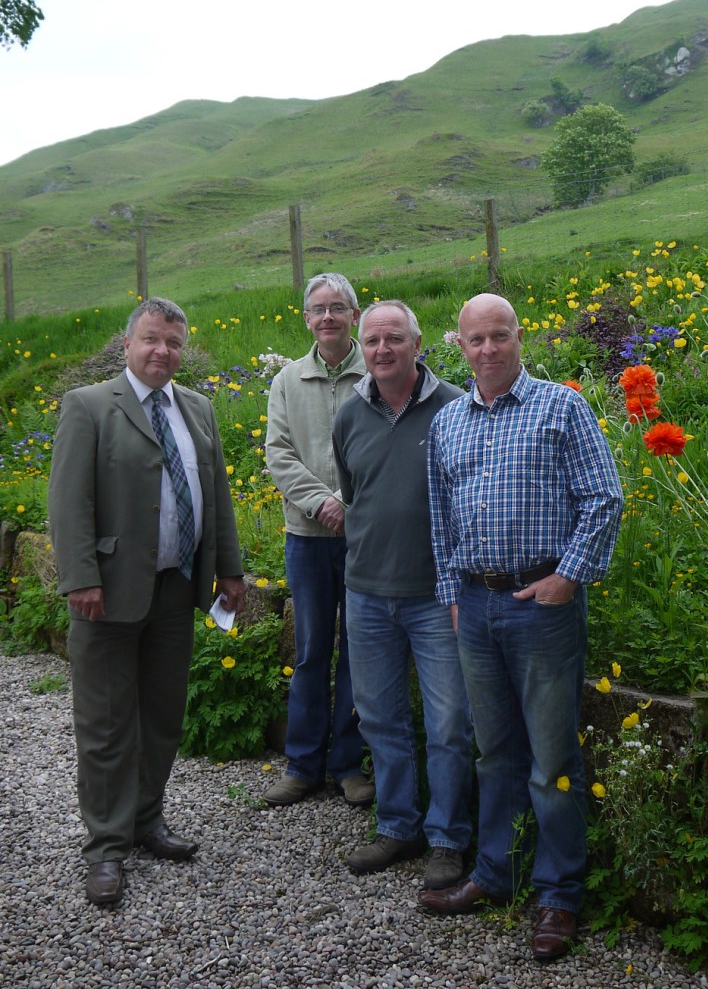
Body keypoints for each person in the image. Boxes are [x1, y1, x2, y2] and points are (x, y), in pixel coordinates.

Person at [421, 293, 623, 962]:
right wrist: (453, 594)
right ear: (459, 345)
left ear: (518, 336)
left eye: (499, 336)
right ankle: (496, 871)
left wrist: (568, 577)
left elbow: (604, 497)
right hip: (475, 606)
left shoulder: (560, 407)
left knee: (552, 759)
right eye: (476, 339)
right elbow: (441, 519)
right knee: (495, 752)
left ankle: (558, 894)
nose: (488, 349)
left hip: (542, 603)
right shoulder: (448, 422)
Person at [48, 297, 247, 906]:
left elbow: (216, 494)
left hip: (175, 590)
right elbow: (68, 501)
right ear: (128, 344)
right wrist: (80, 577)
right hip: (107, 594)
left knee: (162, 717)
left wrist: (229, 569)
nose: (163, 351)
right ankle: (106, 847)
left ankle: (145, 820)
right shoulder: (88, 405)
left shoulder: (198, 408)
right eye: (152, 339)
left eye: (174, 342)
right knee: (107, 724)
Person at [332, 300, 474, 891]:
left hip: (437, 595)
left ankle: (447, 839)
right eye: (372, 341)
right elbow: (354, 492)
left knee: (449, 724)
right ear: (361, 348)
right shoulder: (349, 414)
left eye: (394, 339)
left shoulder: (456, 408)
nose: (382, 350)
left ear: (418, 344)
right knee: (380, 718)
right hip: (367, 592)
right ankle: (397, 826)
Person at [263, 273, 372, 808]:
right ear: (306, 319)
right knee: (310, 651)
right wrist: (324, 503)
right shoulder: (287, 380)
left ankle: (348, 765)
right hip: (307, 536)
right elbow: (278, 453)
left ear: (354, 314)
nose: (328, 317)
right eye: (318, 309)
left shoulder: (377, 371)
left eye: (337, 307)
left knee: (358, 651)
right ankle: (302, 765)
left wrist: (350, 506)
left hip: (364, 538)